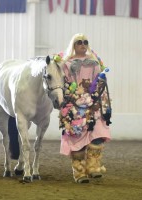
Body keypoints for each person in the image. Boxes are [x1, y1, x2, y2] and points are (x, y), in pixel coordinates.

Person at [58, 33, 112, 183]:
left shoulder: (94, 63)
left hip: (93, 103)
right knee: (77, 136)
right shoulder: (66, 64)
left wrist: (97, 97)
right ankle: (79, 172)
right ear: (73, 45)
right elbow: (63, 84)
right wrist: (70, 99)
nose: (82, 44)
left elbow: (99, 81)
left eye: (85, 42)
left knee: (98, 132)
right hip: (74, 104)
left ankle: (93, 167)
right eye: (79, 42)